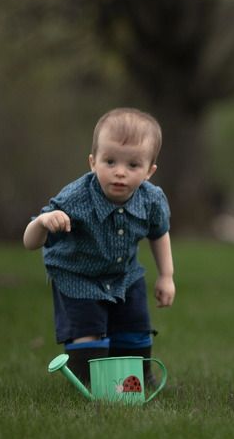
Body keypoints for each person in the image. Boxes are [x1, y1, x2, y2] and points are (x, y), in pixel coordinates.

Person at [23, 107, 175, 386]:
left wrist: (166, 276)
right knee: (89, 333)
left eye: (132, 165)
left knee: (135, 329)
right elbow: (30, 242)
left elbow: (159, 232)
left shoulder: (151, 200)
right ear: (93, 162)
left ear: (149, 171)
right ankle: (90, 385)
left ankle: (138, 381)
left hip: (124, 275)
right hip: (78, 277)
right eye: (110, 161)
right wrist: (43, 222)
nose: (119, 172)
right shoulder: (75, 198)